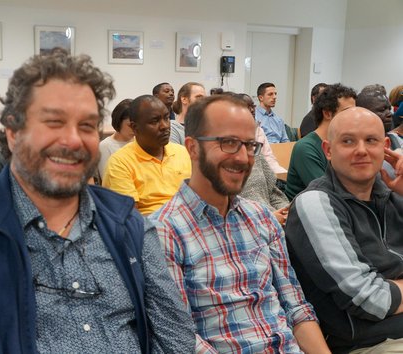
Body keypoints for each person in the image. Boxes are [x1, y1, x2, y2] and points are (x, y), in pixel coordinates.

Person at [0, 51, 195, 353]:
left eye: (86, 125)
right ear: (13, 133)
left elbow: (175, 337)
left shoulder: (128, 225)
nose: (72, 140)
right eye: (53, 122)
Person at [149, 94, 329, 353]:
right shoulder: (163, 231)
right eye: (229, 143)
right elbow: (183, 338)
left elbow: (297, 308)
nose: (244, 158)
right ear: (192, 147)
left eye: (249, 145)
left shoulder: (261, 217)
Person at [285, 107, 403, 353]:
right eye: (348, 141)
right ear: (328, 151)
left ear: (385, 146)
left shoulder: (391, 195)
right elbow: (369, 299)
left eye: (370, 140)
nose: (361, 150)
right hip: (373, 343)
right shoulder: (316, 202)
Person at [102, 95, 191, 215]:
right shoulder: (119, 163)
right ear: (135, 127)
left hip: (192, 222)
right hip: (152, 228)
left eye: (166, 118)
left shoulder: (182, 153)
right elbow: (130, 219)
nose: (164, 126)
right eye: (155, 121)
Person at [286, 83, 356, 200]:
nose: (354, 117)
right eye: (347, 112)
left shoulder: (346, 144)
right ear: (327, 113)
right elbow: (328, 193)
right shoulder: (305, 148)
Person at [239, 92, 288, 174]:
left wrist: (283, 173)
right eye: (247, 107)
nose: (252, 110)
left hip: (264, 169)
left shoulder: (259, 130)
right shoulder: (231, 132)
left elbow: (268, 157)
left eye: (252, 106)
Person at [97, 98, 134, 177]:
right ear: (118, 121)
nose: (135, 129)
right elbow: (107, 179)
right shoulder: (105, 146)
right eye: (130, 125)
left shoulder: (140, 141)